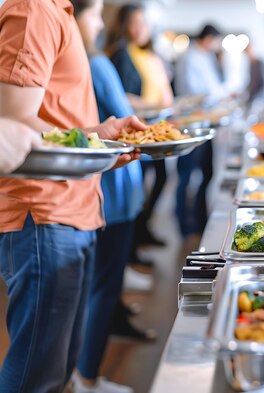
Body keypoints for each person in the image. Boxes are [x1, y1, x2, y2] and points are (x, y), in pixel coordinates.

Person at [0, 0, 145, 390]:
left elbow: (52, 122)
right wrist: (95, 146)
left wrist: (102, 137)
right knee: (37, 373)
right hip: (43, 211)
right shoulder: (35, 9)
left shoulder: (56, 12)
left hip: (70, 208)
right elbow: (15, 121)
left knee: (58, 369)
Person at [70, 0, 157, 392]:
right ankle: (87, 376)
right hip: (114, 189)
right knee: (104, 288)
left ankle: (83, 372)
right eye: (93, 14)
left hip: (92, 186)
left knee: (96, 285)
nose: (98, 23)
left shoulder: (78, 66)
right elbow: (125, 118)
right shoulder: (98, 63)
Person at [107, 4, 173, 254]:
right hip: (136, 129)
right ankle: (135, 240)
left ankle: (141, 231)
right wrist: (151, 104)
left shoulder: (149, 55)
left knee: (156, 179)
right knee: (140, 185)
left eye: (143, 23)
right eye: (134, 23)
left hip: (153, 126)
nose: (139, 29)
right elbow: (120, 97)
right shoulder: (121, 54)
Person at [173, 24, 224, 253]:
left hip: (205, 124)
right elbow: (196, 91)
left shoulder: (205, 57)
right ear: (208, 38)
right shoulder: (190, 58)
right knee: (186, 176)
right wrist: (217, 96)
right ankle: (185, 226)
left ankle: (200, 220)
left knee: (206, 173)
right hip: (190, 125)